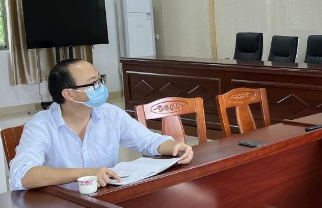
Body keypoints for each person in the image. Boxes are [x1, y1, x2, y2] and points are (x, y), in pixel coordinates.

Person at [9, 59, 193, 191]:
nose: (101, 88)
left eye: (100, 80)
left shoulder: (110, 114)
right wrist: (84, 173)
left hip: (106, 198)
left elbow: (149, 141)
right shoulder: (41, 125)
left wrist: (175, 146)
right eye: (93, 83)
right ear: (69, 94)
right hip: (62, 207)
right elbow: (22, 175)